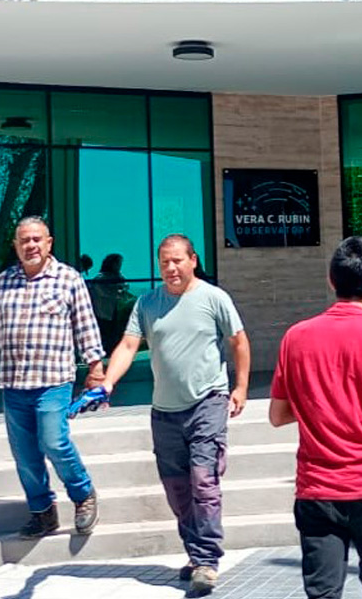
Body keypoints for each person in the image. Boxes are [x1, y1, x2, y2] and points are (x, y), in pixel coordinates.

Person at [102, 234, 250, 596]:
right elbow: (128, 345)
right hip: (165, 411)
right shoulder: (147, 303)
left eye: (177, 261)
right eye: (164, 262)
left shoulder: (214, 298)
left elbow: (238, 342)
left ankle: (207, 561)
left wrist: (241, 387)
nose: (171, 268)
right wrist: (107, 383)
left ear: (193, 260)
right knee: (177, 490)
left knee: (203, 480)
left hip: (207, 402)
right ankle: (196, 553)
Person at [269, 236, 362, 599]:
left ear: (331, 280)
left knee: (323, 591)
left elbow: (277, 415)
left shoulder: (295, 337)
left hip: (317, 487)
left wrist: (317, 408)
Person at [0, 216, 104, 538]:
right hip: (14, 383)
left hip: (53, 380)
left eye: (36, 239)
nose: (31, 245)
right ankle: (42, 512)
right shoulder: (4, 281)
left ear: (49, 243)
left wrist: (95, 368)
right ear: (15, 246)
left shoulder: (68, 279)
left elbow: (85, 325)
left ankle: (83, 494)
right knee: (25, 454)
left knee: (54, 441)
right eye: (24, 240)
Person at [89, 253, 130, 354]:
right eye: (118, 263)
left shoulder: (117, 277)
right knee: (104, 336)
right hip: (102, 312)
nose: (119, 266)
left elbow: (124, 288)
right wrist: (117, 290)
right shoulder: (100, 279)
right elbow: (105, 292)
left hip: (113, 312)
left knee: (113, 335)